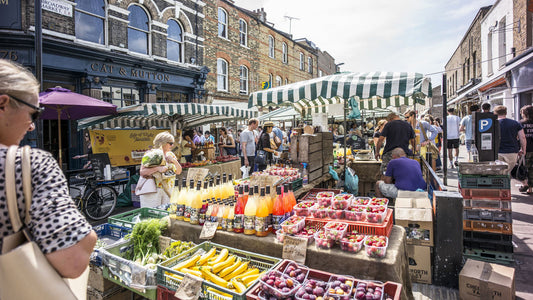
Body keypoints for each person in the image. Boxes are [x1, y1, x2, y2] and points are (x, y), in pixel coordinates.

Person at [0, 59, 97, 279]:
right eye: (33, 113)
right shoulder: (28, 164)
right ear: (3, 104)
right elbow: (74, 258)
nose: (32, 125)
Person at [139, 131, 182, 208]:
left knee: (166, 214)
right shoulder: (150, 154)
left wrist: (174, 161)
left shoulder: (171, 154)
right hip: (154, 190)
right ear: (162, 143)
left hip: (168, 190)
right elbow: (142, 172)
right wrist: (157, 168)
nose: (172, 145)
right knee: (153, 214)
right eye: (170, 143)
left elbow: (178, 171)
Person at [494, 105, 527, 175]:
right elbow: (522, 137)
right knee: (508, 173)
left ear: (495, 113)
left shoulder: (493, 124)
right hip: (512, 152)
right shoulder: (515, 123)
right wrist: (523, 149)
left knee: (499, 173)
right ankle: (507, 184)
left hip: (497, 152)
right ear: (506, 113)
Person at [519, 105, 533, 193]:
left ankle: (526, 185)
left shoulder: (521, 123)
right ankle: (530, 188)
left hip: (526, 149)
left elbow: (519, 137)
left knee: (524, 168)